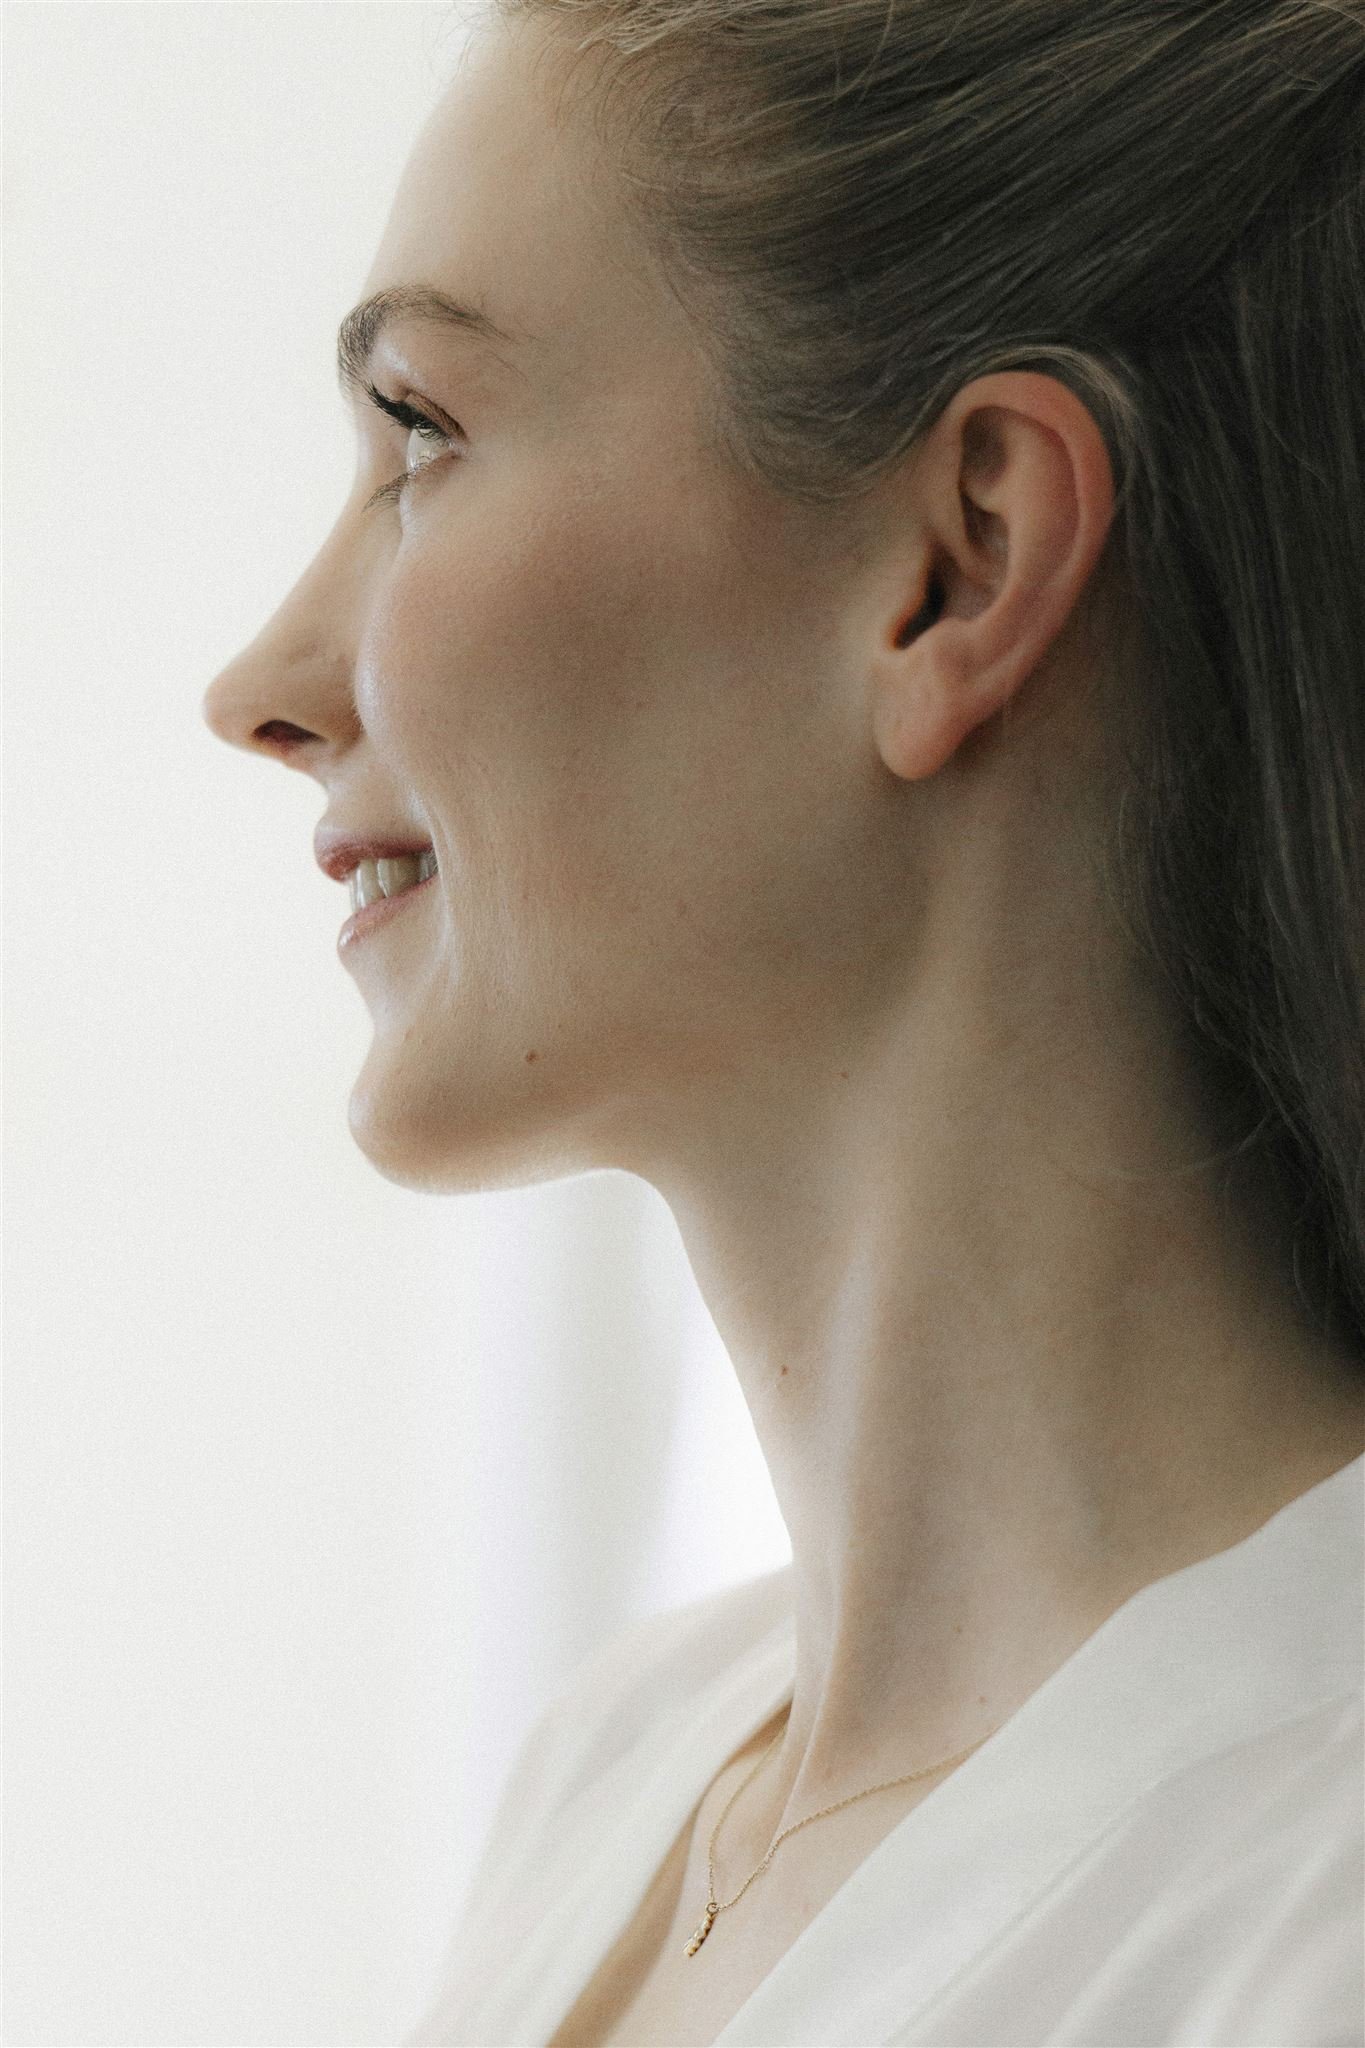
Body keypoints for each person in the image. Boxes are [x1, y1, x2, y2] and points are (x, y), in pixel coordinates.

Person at [200, 1, 1365, 2042]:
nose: (264, 681)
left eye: (419, 435)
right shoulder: (619, 1767)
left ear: (953, 562)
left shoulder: (1306, 1905)